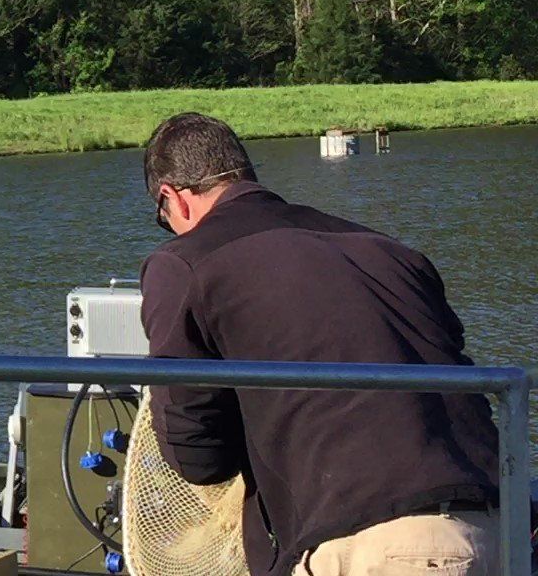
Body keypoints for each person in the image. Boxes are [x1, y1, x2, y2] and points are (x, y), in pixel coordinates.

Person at [139, 112, 501, 576]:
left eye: (162, 218)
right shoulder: (387, 249)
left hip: (377, 547)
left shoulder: (182, 263)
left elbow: (197, 455)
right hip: (501, 523)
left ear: (173, 198)